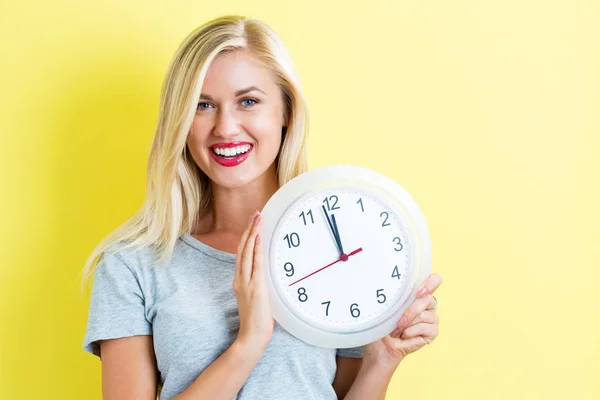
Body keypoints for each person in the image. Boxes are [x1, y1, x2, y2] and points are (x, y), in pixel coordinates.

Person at [80, 15, 443, 400]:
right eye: (202, 105)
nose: (226, 128)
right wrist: (249, 341)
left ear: (285, 111)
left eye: (248, 101)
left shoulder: (339, 246)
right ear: (181, 121)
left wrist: (382, 359)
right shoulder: (132, 266)